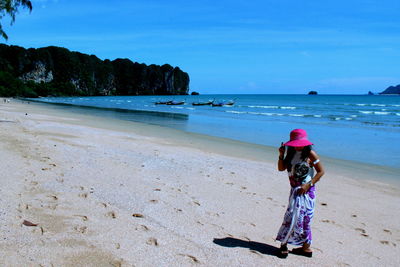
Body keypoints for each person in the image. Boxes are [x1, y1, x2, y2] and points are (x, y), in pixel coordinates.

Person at [275, 129, 325, 258]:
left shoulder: (311, 154)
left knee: (306, 219)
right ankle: (284, 245)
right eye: (296, 143)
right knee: (290, 217)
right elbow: (281, 168)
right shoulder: (290, 155)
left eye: (301, 143)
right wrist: (281, 154)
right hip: (295, 191)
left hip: (308, 192)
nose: (299, 146)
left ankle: (306, 248)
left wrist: (309, 184)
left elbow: (321, 172)